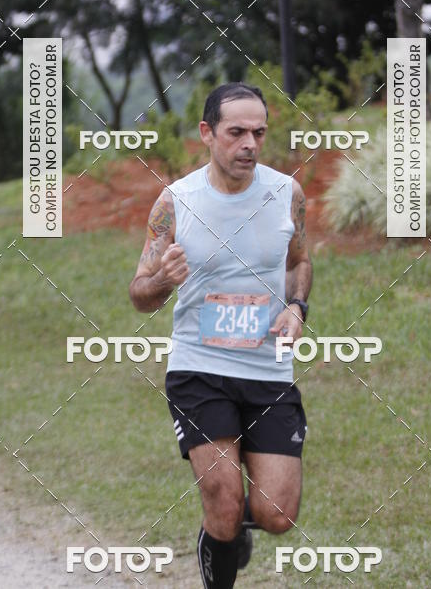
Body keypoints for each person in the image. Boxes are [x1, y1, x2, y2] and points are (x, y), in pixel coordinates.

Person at [129, 82, 313, 588]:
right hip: (199, 370)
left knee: (278, 514)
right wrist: (162, 280)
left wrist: (296, 306)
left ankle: (228, 529)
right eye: (236, 132)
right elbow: (140, 293)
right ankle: (224, 527)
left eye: (259, 132)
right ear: (207, 133)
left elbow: (299, 261)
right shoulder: (176, 201)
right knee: (224, 502)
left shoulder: (287, 194)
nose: (249, 144)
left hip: (267, 368)